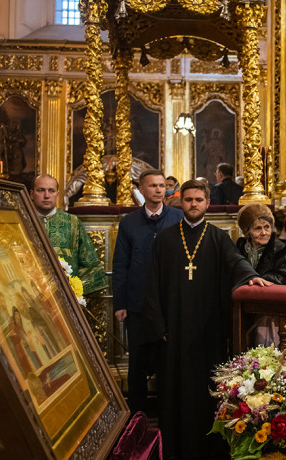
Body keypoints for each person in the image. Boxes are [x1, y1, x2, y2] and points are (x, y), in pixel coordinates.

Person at [144, 179, 271, 459]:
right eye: (188, 200)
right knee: (174, 392)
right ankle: (174, 450)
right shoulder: (165, 239)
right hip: (173, 331)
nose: (193, 204)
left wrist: (250, 276)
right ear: (180, 202)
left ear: (207, 203)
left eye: (198, 200)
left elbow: (235, 262)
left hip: (207, 330)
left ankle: (210, 450)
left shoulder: (217, 237)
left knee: (207, 391)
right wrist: (158, 326)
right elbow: (151, 284)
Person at [112, 169, 183, 415]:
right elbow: (121, 264)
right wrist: (120, 303)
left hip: (169, 304)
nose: (158, 190)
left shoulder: (178, 218)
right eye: (152, 186)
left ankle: (169, 416)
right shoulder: (129, 222)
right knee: (138, 365)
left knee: (168, 363)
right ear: (141, 190)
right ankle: (137, 417)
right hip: (138, 303)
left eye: (162, 185)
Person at [30, 174, 107, 294]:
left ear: (57, 194)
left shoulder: (72, 223)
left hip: (67, 298)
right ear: (31, 194)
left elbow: (92, 267)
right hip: (29, 296)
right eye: (41, 190)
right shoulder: (23, 220)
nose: (46, 196)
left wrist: (74, 290)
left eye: (51, 191)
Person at [236, 204, 286, 285]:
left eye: (267, 227)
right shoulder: (239, 249)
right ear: (247, 232)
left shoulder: (284, 250)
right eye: (258, 228)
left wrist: (262, 279)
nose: (264, 233)